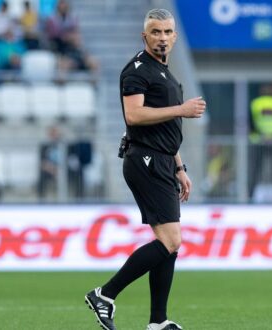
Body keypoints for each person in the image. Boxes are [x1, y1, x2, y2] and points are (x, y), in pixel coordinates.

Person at [84, 8, 206, 330]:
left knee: (170, 245)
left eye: (167, 32)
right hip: (145, 160)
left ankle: (157, 321)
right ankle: (104, 294)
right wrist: (182, 108)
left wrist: (180, 167)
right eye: (156, 32)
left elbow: (168, 128)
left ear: (175, 37)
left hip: (164, 160)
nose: (162, 38)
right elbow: (134, 116)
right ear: (145, 36)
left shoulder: (165, 73)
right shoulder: (137, 70)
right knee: (170, 241)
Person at [248, 84, 272, 201]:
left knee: (255, 170)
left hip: (259, 141)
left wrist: (261, 135)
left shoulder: (256, 104)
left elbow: (251, 122)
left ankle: (251, 195)